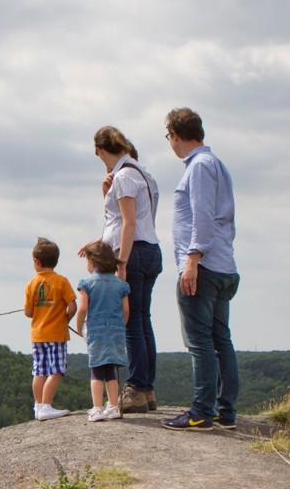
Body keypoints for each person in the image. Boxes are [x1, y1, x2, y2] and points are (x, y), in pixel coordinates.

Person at [160, 108, 240, 432]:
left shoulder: (199, 167)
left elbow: (203, 214)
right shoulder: (215, 164)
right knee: (221, 340)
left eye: (168, 137)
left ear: (175, 135)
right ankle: (225, 411)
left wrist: (192, 259)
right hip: (222, 264)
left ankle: (201, 412)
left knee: (201, 342)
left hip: (203, 266)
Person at [82, 126, 163, 413]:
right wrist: (107, 193)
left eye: (99, 155)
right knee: (143, 320)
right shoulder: (144, 175)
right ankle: (147, 389)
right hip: (150, 249)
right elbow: (138, 219)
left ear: (102, 151)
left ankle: (137, 387)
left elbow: (129, 224)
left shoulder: (125, 176)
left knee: (131, 323)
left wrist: (122, 262)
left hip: (134, 252)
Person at [76, 240, 131, 422]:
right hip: (116, 331)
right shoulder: (121, 285)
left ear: (93, 261)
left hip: (96, 331)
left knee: (97, 370)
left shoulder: (87, 283)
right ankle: (113, 407)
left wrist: (78, 327)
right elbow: (126, 311)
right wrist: (120, 326)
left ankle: (97, 409)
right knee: (110, 369)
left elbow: (83, 308)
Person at [23, 237, 77, 421]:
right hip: (56, 334)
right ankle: (46, 405)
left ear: (37, 262)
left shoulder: (31, 284)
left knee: (39, 371)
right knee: (56, 370)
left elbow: (28, 312)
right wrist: (65, 318)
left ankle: (38, 406)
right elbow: (73, 306)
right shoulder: (62, 281)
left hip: (37, 334)